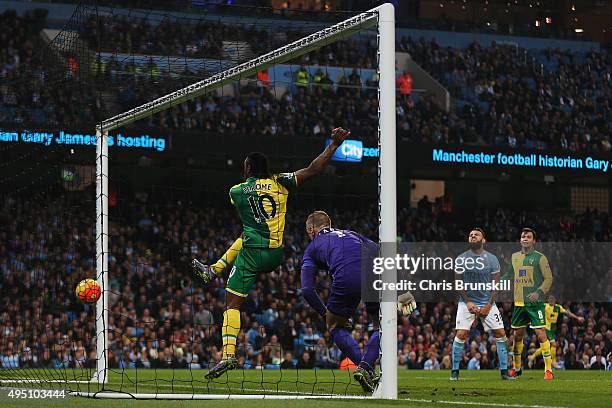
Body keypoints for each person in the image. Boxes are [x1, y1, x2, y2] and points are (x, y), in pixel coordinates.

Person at [192, 128, 350, 379]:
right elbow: (313, 169)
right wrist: (333, 145)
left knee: (231, 304)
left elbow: (243, 206)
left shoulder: (236, 191)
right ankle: (213, 269)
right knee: (245, 238)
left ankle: (229, 356)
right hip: (276, 254)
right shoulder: (281, 182)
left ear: (247, 169)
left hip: (252, 254)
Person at [300, 210, 416, 393]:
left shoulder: (312, 248)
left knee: (335, 326)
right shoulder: (352, 234)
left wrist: (326, 314)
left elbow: (307, 290)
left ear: (312, 230)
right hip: (374, 275)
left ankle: (364, 367)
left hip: (346, 278)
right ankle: (365, 367)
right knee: (382, 326)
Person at [451, 228, 513, 381]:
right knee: (461, 334)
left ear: (483, 240)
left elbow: (496, 286)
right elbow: (458, 284)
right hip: (466, 303)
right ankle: (454, 372)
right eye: (470, 234)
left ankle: (504, 372)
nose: (472, 236)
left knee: (501, 334)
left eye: (476, 234)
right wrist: (468, 302)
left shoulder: (492, 259)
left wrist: (488, 305)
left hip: (487, 303)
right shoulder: (461, 259)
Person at [505, 228, 554, 380]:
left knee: (541, 334)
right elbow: (509, 275)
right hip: (519, 303)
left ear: (534, 241)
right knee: (517, 336)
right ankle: (517, 368)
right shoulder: (514, 257)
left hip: (536, 304)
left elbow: (549, 279)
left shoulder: (540, 258)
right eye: (522, 236)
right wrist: (498, 282)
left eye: (528, 236)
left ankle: (548, 370)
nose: (525, 238)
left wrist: (539, 293)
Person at [528, 295, 584, 368]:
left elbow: (567, 313)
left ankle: (532, 357)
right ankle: (553, 361)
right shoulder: (545, 306)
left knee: (546, 347)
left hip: (552, 330)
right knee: (554, 344)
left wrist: (577, 318)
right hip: (545, 328)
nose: (551, 300)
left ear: (555, 300)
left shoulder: (558, 307)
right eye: (550, 299)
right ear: (547, 300)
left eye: (553, 299)